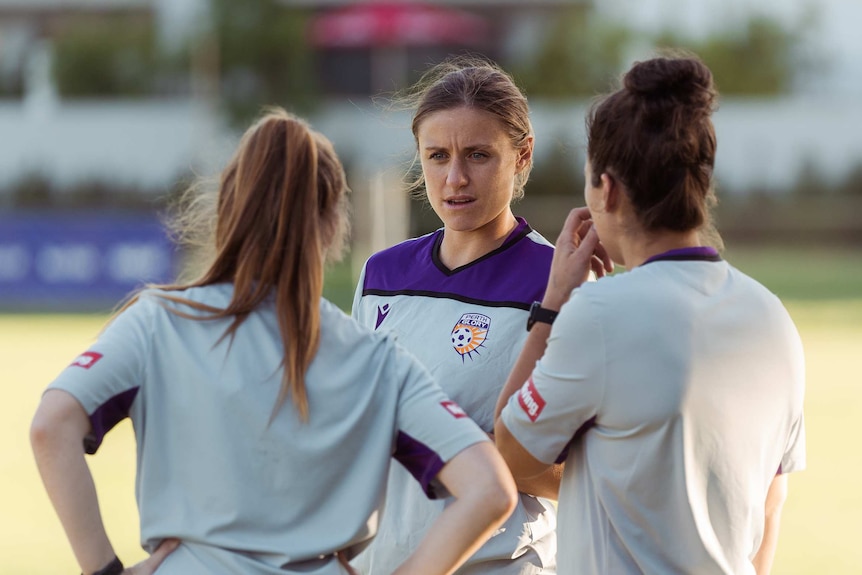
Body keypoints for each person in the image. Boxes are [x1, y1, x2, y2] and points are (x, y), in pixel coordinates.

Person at [30, 108, 519, 575]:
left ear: (227, 208)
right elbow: (490, 490)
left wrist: (105, 569)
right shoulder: (375, 358)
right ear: (332, 225)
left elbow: (50, 427)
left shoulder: (157, 321)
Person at [493, 53, 806, 575]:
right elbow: (772, 503)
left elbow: (510, 454)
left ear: (607, 190)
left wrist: (553, 304)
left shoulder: (599, 313)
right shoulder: (773, 317)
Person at [351, 57, 558, 575]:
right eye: (438, 156)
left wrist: (466, 454)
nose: (456, 178)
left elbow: (582, 472)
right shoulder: (381, 274)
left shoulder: (558, 282)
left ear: (522, 155)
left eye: (479, 155)